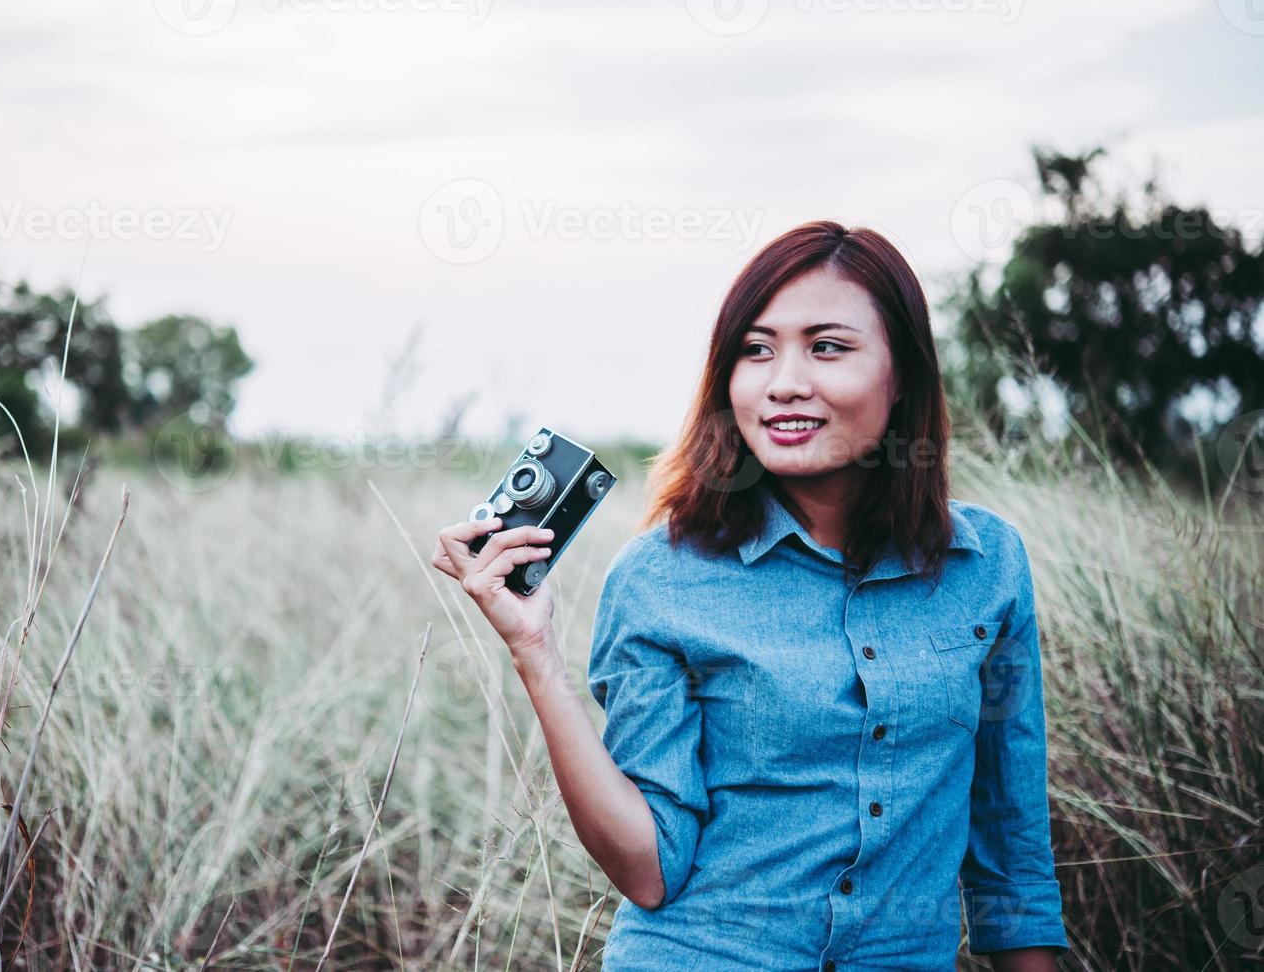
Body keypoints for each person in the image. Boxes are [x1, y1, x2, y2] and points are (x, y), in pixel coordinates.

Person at [432, 220, 1070, 970]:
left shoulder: (985, 565)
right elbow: (647, 867)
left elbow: (1011, 848)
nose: (783, 382)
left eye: (827, 347)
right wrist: (533, 652)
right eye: (755, 350)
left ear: (903, 376)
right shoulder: (659, 580)